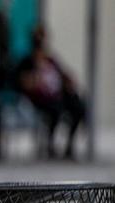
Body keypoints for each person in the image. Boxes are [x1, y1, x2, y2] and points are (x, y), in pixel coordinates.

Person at [17, 25, 87, 160]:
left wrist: (69, 82)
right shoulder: (27, 62)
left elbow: (64, 76)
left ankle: (69, 146)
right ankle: (50, 145)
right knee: (55, 109)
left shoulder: (51, 60)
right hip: (40, 100)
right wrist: (35, 77)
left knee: (77, 105)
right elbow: (23, 83)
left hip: (57, 95)